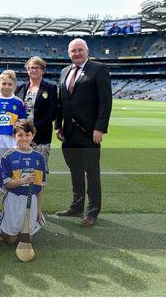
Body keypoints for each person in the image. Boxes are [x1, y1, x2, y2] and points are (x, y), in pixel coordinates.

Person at [54, 38, 112, 227]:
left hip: (89, 132)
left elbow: (105, 101)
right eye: (73, 51)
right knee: (75, 171)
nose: (77, 53)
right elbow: (61, 101)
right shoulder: (64, 71)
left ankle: (92, 211)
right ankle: (76, 207)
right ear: (68, 53)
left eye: (80, 50)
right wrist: (58, 125)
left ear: (87, 51)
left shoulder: (99, 69)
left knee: (92, 173)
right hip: (69, 133)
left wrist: (99, 128)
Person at [0, 121, 46, 244]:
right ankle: (2, 222)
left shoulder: (39, 157)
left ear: (33, 135)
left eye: (27, 134)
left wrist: (38, 210)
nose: (24, 138)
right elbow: (6, 184)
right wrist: (22, 181)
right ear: (14, 136)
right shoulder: (8, 156)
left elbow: (40, 188)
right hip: (14, 198)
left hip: (32, 200)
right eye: (20, 135)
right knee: (11, 240)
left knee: (27, 240)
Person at [15, 56, 58, 171]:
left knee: (39, 168)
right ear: (27, 70)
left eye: (37, 68)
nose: (33, 70)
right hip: (22, 135)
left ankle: (38, 189)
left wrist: (33, 128)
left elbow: (52, 113)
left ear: (42, 69)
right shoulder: (20, 88)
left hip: (41, 135)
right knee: (21, 168)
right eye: (31, 68)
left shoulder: (50, 88)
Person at [0, 70, 26, 158]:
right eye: (4, 84)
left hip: (11, 138)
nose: (6, 87)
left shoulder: (18, 102)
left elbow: (22, 124)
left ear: (14, 85)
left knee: (10, 164)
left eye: (10, 84)